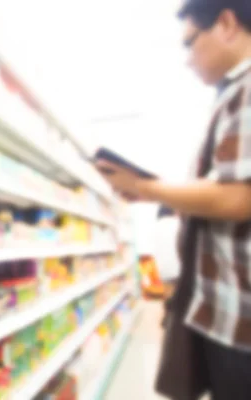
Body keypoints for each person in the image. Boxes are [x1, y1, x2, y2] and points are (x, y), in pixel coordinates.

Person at [96, 1, 251, 399]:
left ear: (228, 24)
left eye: (189, 43)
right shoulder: (232, 92)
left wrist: (149, 188)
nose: (186, 60)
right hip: (227, 313)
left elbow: (240, 196)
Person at [154, 206, 180, 299]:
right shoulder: (178, 223)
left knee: (168, 300)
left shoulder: (153, 228)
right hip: (179, 271)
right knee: (182, 300)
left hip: (161, 273)